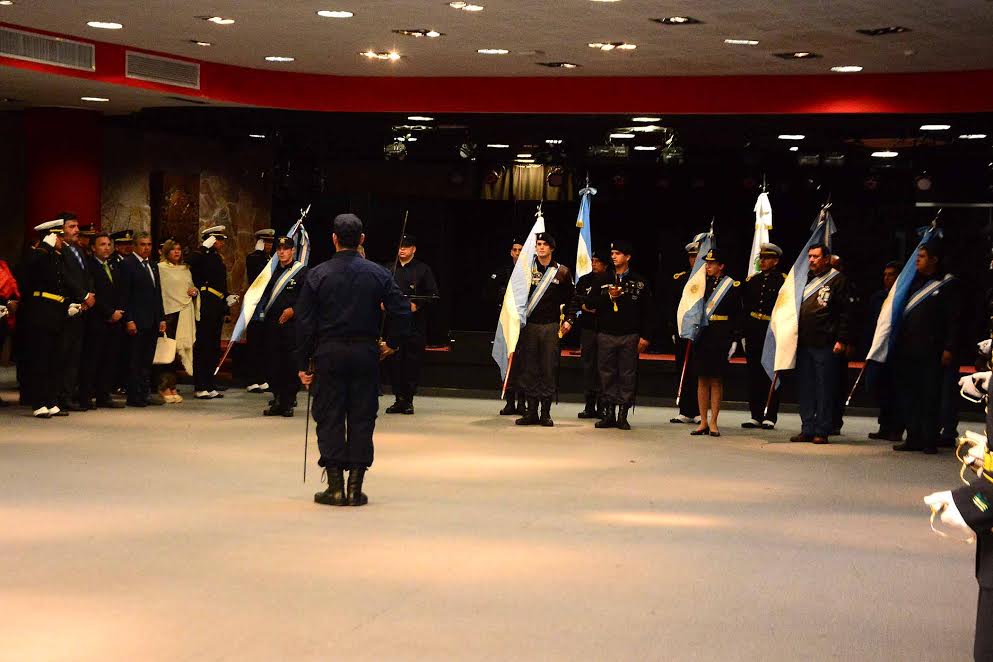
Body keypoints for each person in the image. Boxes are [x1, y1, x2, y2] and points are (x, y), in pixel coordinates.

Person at [297, 213, 412, 507]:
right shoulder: (379, 274)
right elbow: (401, 311)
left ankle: (334, 488)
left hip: (328, 353)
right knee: (362, 416)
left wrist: (302, 364)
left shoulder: (317, 274)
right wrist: (393, 344)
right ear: (361, 239)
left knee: (329, 415)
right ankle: (355, 488)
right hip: (365, 353)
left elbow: (305, 323)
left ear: (333, 239)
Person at [891, 241, 960, 454]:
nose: (917, 260)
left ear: (934, 259)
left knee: (930, 396)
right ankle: (913, 436)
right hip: (909, 349)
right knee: (910, 395)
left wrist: (950, 347)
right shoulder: (912, 283)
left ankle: (929, 438)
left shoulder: (947, 284)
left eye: (921, 256)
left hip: (933, 350)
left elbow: (954, 319)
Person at [790, 243, 851, 445]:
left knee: (824, 388)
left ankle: (822, 429)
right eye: (809, 256)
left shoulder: (838, 280)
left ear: (826, 258)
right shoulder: (806, 279)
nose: (811, 260)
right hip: (805, 343)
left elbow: (845, 313)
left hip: (825, 343)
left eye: (815, 256)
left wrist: (842, 339)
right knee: (806, 387)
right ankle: (807, 427)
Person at [514, 232, 576, 427]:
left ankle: (545, 413)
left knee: (548, 368)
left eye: (544, 244)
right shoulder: (525, 270)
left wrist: (569, 320)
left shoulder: (562, 272)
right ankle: (530, 411)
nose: (540, 247)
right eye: (538, 244)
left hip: (550, 326)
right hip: (530, 325)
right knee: (529, 367)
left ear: (551, 248)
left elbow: (573, 299)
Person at [593, 241, 655, 430]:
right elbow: (590, 302)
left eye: (618, 253)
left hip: (629, 335)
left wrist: (646, 336)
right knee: (606, 374)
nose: (613, 256)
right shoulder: (602, 278)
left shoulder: (640, 282)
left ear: (627, 257)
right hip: (606, 334)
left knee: (627, 374)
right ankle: (609, 412)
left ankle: (623, 414)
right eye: (612, 253)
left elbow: (648, 312)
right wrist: (607, 296)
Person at [18, 220, 71, 418]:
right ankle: (39, 402)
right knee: (41, 358)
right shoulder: (37, 255)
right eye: (58, 237)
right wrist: (44, 248)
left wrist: (68, 304)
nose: (62, 241)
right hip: (40, 311)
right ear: (49, 237)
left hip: (56, 311)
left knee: (54, 359)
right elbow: (27, 270)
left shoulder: (56, 258)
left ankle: (51, 400)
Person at [383, 234, 439, 415]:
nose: (402, 250)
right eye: (400, 246)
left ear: (413, 249)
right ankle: (398, 398)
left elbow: (433, 294)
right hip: (393, 323)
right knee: (394, 362)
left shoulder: (423, 269)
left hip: (414, 325)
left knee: (411, 362)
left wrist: (418, 304)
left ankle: (408, 400)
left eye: (406, 247)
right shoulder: (389, 269)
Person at [689, 249, 741, 438]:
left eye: (712, 263)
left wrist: (735, 338)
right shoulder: (701, 284)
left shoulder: (732, 286)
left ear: (721, 266)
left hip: (721, 335)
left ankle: (713, 422)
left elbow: (736, 315)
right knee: (702, 379)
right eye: (707, 263)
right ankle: (702, 420)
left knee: (716, 380)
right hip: (703, 334)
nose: (708, 266)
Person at [255, 236, 307, 416]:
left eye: (286, 249)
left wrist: (294, 310)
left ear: (293, 251)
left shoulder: (301, 272)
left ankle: (287, 401)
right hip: (272, 324)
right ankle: (277, 398)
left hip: (291, 326)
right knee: (273, 363)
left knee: (289, 364)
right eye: (279, 249)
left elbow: (307, 298)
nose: (282, 252)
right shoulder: (270, 271)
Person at [78, 233, 126, 409]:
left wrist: (119, 311)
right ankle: (85, 397)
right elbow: (93, 293)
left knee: (109, 359)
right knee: (92, 360)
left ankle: (103, 395)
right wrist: (109, 312)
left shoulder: (113, 265)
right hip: (96, 319)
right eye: (102, 244)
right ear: (93, 248)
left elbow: (120, 290)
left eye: (108, 244)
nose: (107, 248)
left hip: (115, 319)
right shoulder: (89, 266)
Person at [188, 225, 236, 399]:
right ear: (210, 240)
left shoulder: (216, 258)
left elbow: (220, 284)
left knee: (213, 347)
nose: (221, 243)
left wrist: (227, 302)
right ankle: (200, 385)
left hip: (216, 305)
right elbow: (190, 262)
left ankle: (209, 383)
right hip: (205, 304)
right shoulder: (201, 255)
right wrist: (203, 248)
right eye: (218, 239)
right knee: (203, 346)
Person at [741, 243, 785, 429]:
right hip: (754, 330)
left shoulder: (783, 281)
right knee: (754, 373)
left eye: (767, 258)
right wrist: (743, 333)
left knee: (771, 373)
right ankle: (755, 414)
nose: (763, 261)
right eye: (762, 258)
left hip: (772, 330)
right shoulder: (752, 281)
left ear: (775, 261)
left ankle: (770, 414)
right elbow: (745, 309)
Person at [120, 232, 166, 407]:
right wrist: (128, 319)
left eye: (149, 244)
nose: (146, 248)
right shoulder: (128, 264)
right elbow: (125, 296)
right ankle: (134, 395)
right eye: (142, 244)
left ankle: (145, 392)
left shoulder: (153, 265)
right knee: (135, 360)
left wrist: (161, 317)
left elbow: (157, 294)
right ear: (134, 246)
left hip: (152, 320)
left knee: (147, 360)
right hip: (136, 320)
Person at [56, 213, 96, 412]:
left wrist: (90, 294)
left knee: (75, 355)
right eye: (72, 226)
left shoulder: (78, 249)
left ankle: (68, 395)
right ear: (61, 229)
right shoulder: (59, 250)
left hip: (82, 308)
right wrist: (82, 296)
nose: (76, 230)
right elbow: (66, 277)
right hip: (66, 309)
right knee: (63, 354)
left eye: (76, 226)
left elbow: (87, 275)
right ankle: (58, 397)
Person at [863, 261, 901, 441]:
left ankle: (897, 427)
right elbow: (870, 323)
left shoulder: (903, 296)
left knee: (896, 390)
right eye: (885, 275)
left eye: (891, 275)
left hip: (897, 350)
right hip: (879, 349)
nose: (887, 278)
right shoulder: (877, 297)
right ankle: (884, 426)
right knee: (882, 389)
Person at [158, 239, 199, 404]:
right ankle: (163, 387)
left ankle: (172, 385)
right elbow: (160, 292)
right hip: (169, 314)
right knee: (166, 352)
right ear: (166, 252)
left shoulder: (185, 270)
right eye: (173, 249)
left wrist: (194, 291)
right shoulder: (160, 269)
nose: (177, 252)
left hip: (183, 314)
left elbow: (191, 288)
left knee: (175, 354)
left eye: (179, 249)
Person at [573, 249, 611, 419]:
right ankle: (589, 405)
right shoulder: (584, 280)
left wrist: (594, 306)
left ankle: (603, 405)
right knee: (588, 367)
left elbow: (605, 304)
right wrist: (586, 306)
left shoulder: (611, 279)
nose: (594, 264)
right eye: (593, 260)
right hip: (588, 328)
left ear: (605, 264)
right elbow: (578, 300)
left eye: (598, 261)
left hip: (605, 329)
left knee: (603, 367)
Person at [668, 238, 702, 425]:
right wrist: (673, 330)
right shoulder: (680, 278)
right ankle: (685, 410)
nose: (693, 260)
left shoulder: (708, 280)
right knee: (683, 369)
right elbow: (673, 306)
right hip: (682, 331)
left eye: (697, 256)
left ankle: (698, 410)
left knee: (698, 371)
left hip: (700, 333)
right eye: (691, 257)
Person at [494, 238, 528, 416]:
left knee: (522, 364)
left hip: (523, 325)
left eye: (521, 249)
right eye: (514, 249)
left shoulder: (530, 273)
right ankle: (509, 401)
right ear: (510, 252)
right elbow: (489, 292)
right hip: (506, 323)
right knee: (507, 361)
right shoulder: (503, 271)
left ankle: (522, 402)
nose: (517, 252)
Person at [245, 228, 274, 393]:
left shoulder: (269, 258)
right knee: (255, 343)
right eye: (266, 242)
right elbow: (259, 277)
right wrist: (260, 253)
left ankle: (261, 377)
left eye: (270, 242)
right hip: (257, 303)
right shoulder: (254, 258)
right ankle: (252, 379)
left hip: (267, 303)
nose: (269, 245)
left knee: (264, 343)